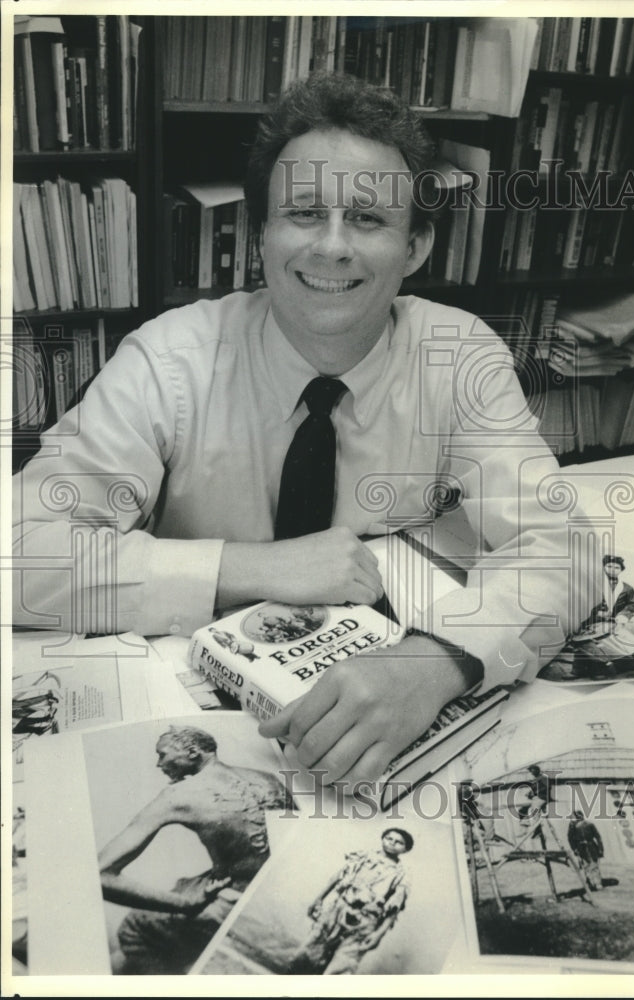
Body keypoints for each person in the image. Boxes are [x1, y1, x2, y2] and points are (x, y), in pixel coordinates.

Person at [12, 72, 597, 786]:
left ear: (415, 248)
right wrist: (244, 568)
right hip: (194, 713)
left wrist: (437, 660)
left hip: (382, 701)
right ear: (260, 235)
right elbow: (22, 551)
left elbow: (565, 548)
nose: (332, 246)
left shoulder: (460, 353)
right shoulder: (170, 357)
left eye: (369, 219)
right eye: (303, 213)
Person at [98, 724, 293, 975]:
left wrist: (185, 904)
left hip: (242, 904)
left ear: (192, 752)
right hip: (281, 891)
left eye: (163, 754)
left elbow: (101, 873)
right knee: (186, 884)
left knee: (134, 928)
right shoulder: (268, 779)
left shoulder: (178, 795)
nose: (159, 764)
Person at [289, 827, 412, 975]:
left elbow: (394, 909)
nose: (392, 843)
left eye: (399, 842)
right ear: (382, 838)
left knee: (343, 964)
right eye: (389, 838)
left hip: (365, 921)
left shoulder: (401, 874)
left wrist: (379, 934)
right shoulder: (363, 856)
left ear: (405, 850)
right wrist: (318, 899)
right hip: (338, 908)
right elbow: (338, 877)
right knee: (311, 949)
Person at [567, 810, 604, 890]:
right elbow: (570, 839)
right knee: (586, 866)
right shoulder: (572, 827)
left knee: (594, 865)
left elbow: (598, 837)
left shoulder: (589, 825)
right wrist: (575, 849)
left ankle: (597, 883)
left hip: (592, 847)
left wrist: (600, 849)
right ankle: (590, 883)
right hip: (581, 849)